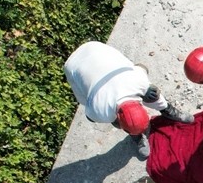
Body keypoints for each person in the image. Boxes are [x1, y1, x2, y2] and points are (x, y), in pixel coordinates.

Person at [64, 41, 192, 157]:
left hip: (97, 49)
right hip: (74, 66)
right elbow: (89, 117)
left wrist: (151, 93)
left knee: (152, 93)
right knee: (89, 103)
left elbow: (142, 67)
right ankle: (136, 137)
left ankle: (169, 111)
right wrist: (118, 121)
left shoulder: (138, 80)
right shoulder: (98, 110)